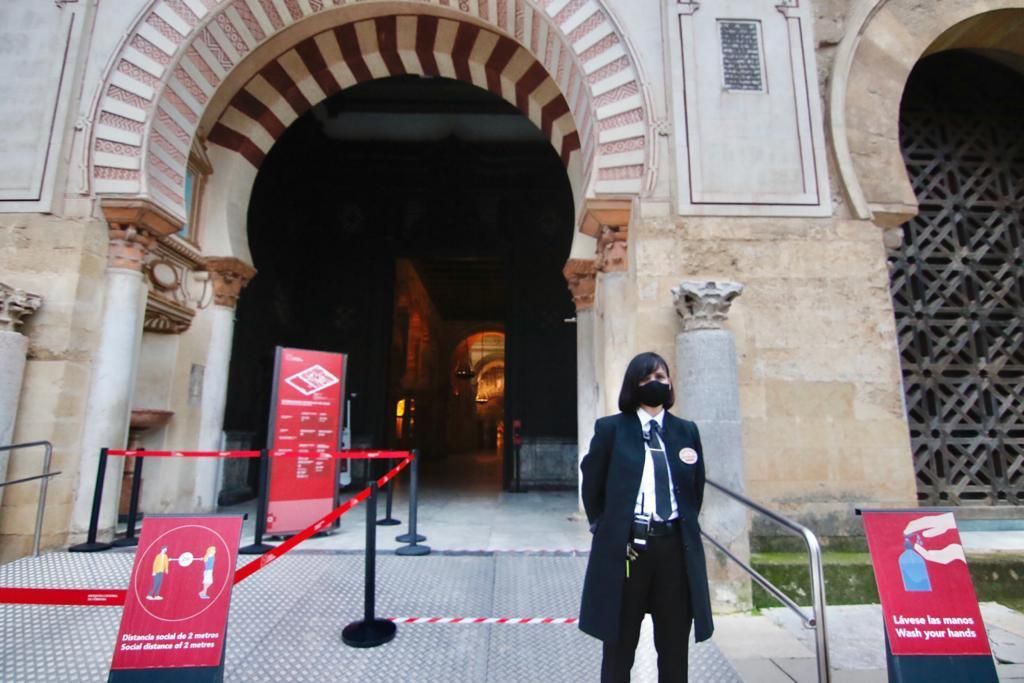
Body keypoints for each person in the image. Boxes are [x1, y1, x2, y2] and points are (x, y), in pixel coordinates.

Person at [579, 352, 713, 682]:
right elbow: (592, 482)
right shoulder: (612, 429)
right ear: (634, 386)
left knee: (673, 643)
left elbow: (695, 488)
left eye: (662, 377)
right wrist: (606, 527)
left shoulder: (686, 431)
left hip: (674, 550)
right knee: (620, 643)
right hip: (630, 549)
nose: (656, 383)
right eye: (647, 378)